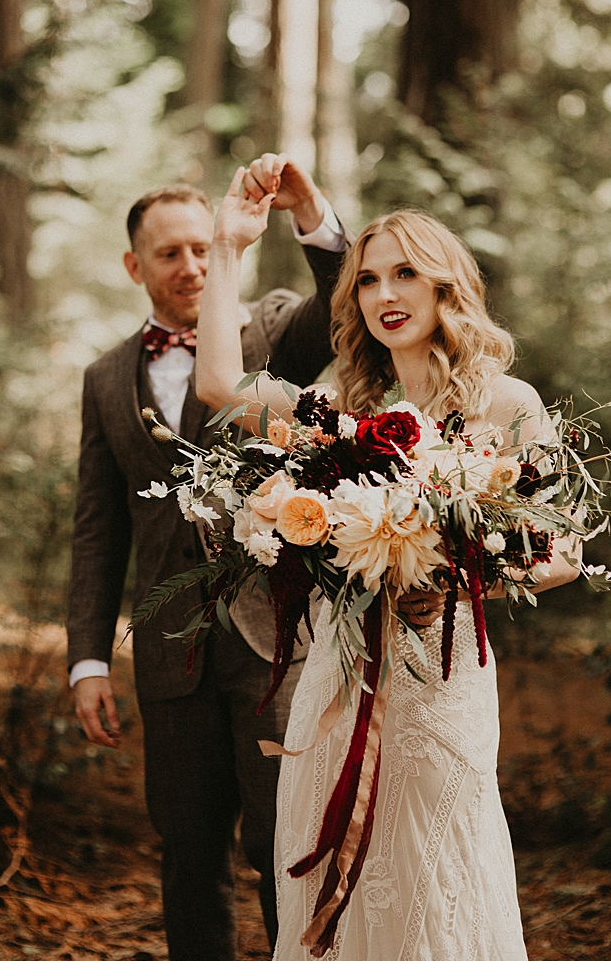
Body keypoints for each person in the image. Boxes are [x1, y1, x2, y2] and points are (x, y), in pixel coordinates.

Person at [195, 170, 576, 959]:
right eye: (367, 278)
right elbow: (217, 387)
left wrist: (455, 572)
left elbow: (565, 552)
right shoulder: (340, 406)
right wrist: (228, 245)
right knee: (336, 872)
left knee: (440, 868)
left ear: (447, 285)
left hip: (443, 679)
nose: (383, 292)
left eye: (405, 272)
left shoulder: (509, 404)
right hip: (338, 678)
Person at [65, 155, 352, 959]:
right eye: (170, 253)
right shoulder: (102, 378)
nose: (191, 265)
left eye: (203, 247)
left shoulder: (268, 331)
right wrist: (87, 659)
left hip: (275, 640)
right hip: (169, 654)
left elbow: (344, 298)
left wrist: (308, 211)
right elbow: (98, 529)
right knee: (189, 851)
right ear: (135, 266)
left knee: (282, 843)